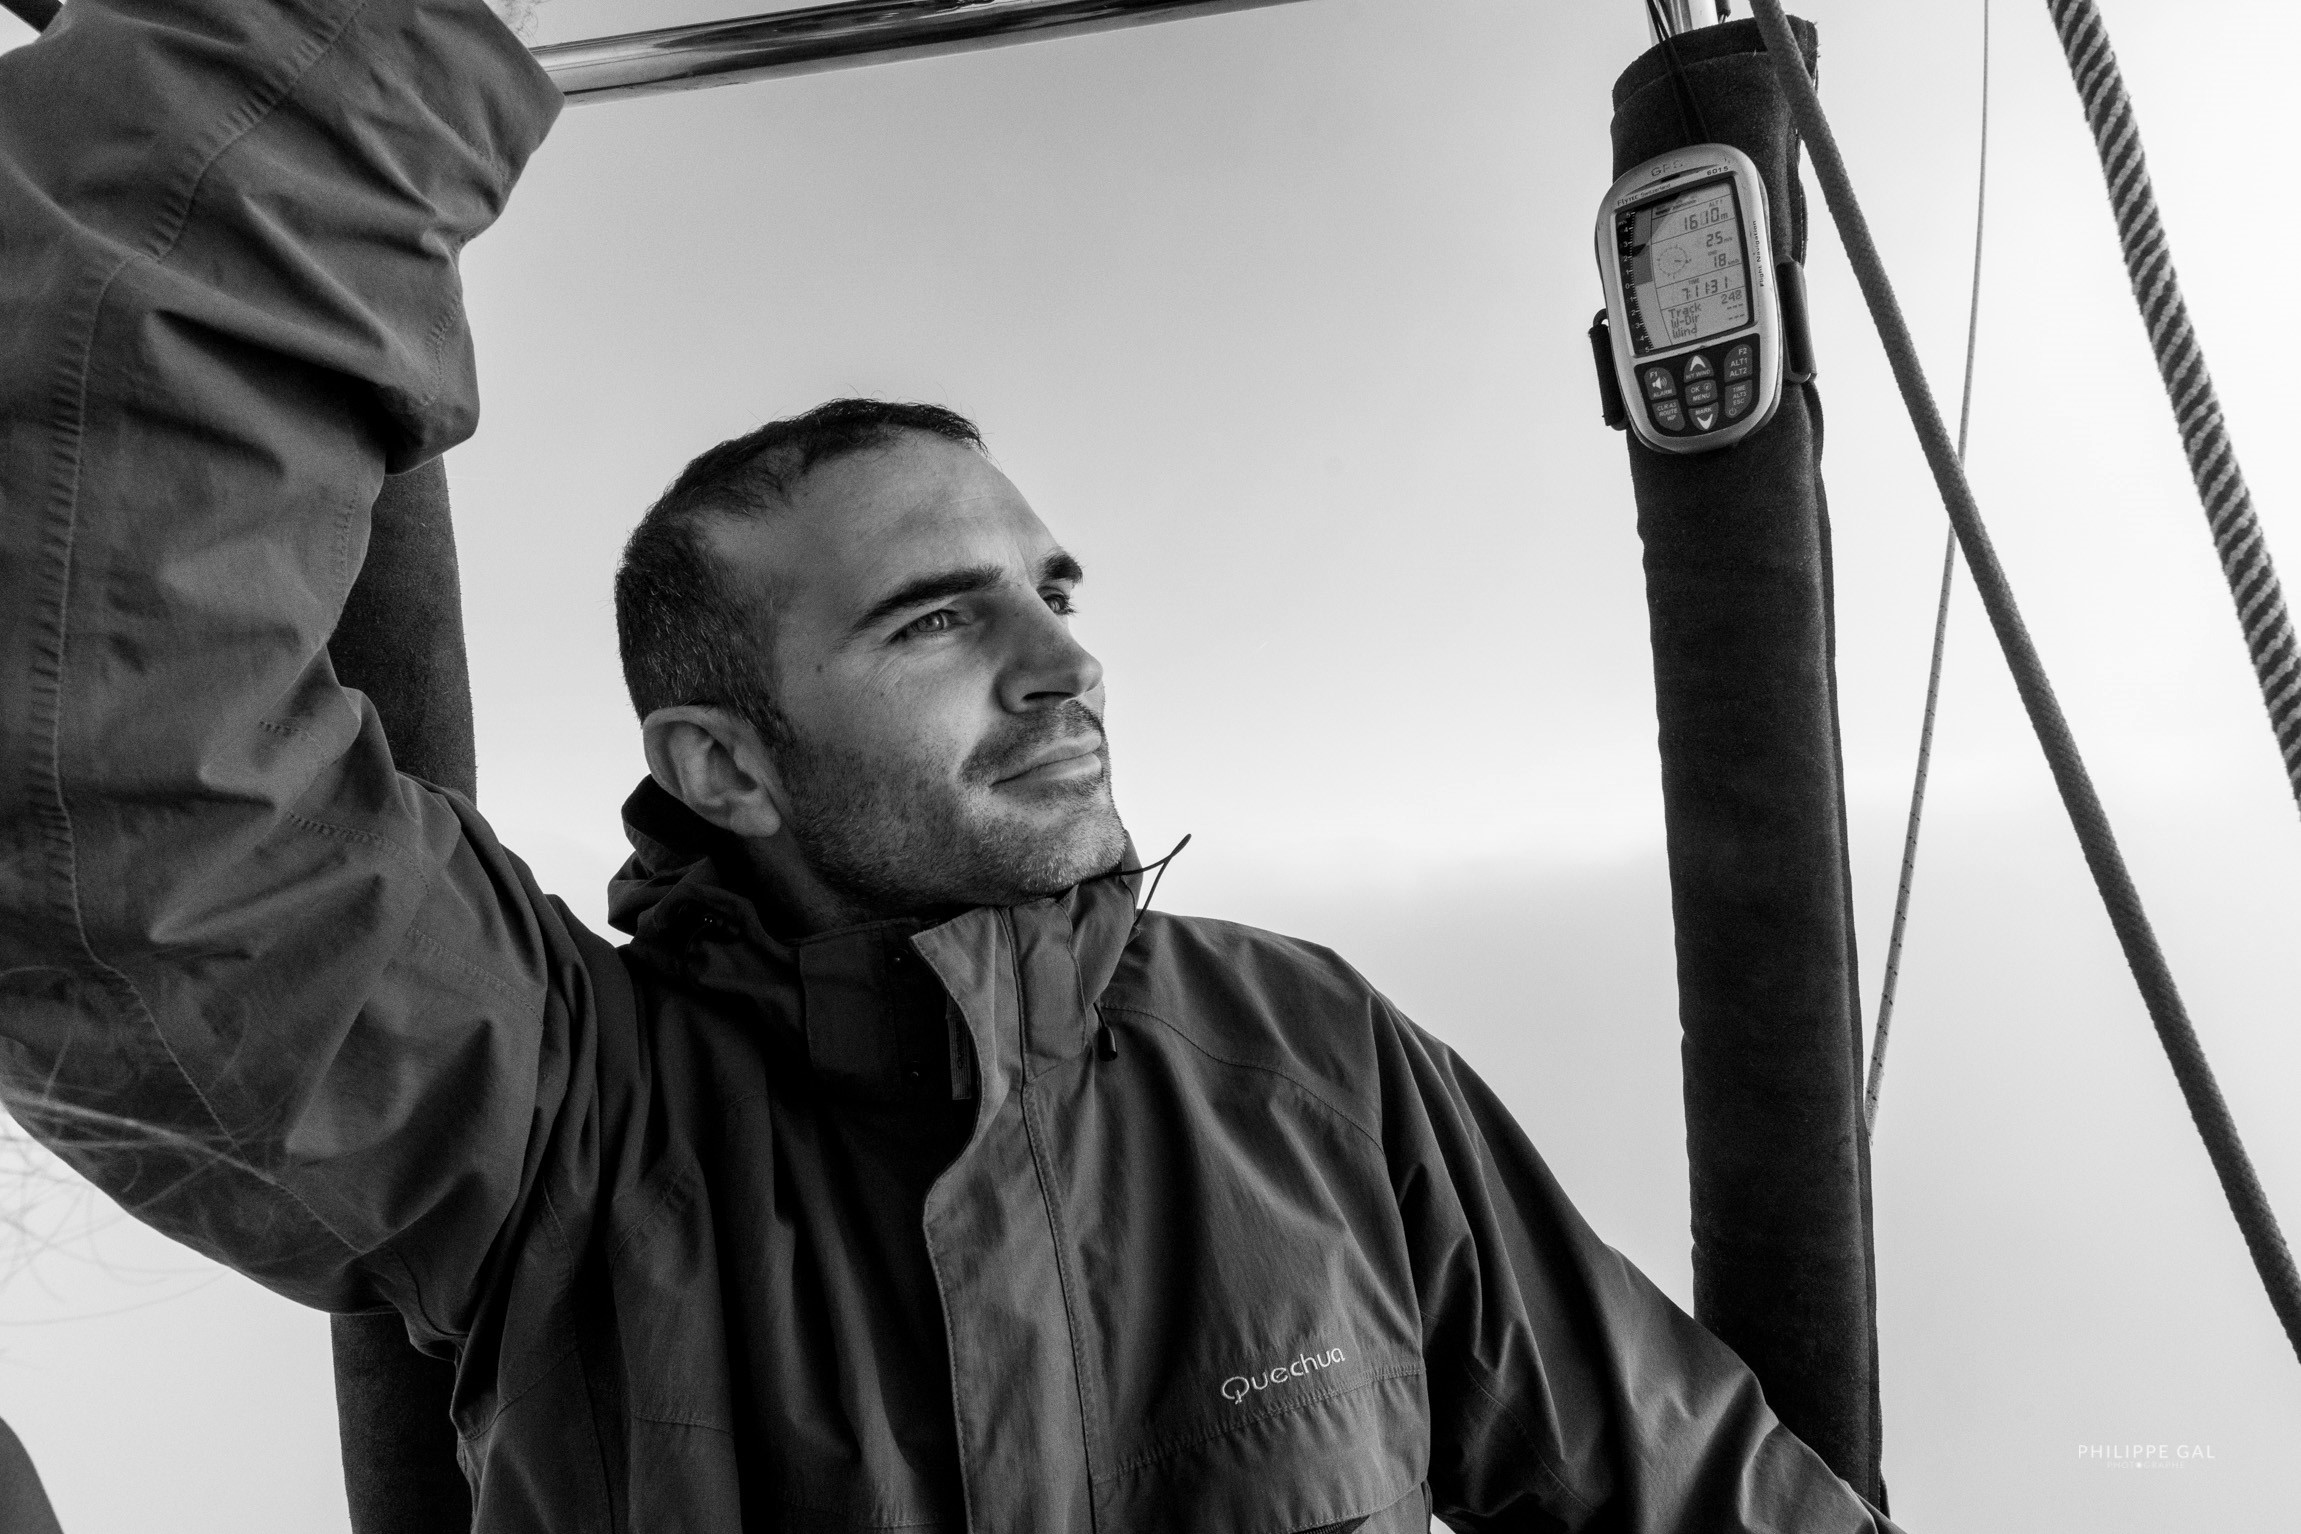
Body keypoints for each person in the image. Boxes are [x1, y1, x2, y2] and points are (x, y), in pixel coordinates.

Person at [0, 0, 1904, 1529]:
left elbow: (1702, 1496)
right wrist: (323, 45)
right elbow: (123, 797)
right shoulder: (568, 1121)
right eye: (934, 621)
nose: (1063, 663)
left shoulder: (1305, 1059)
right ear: (724, 765)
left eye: (1049, 590)